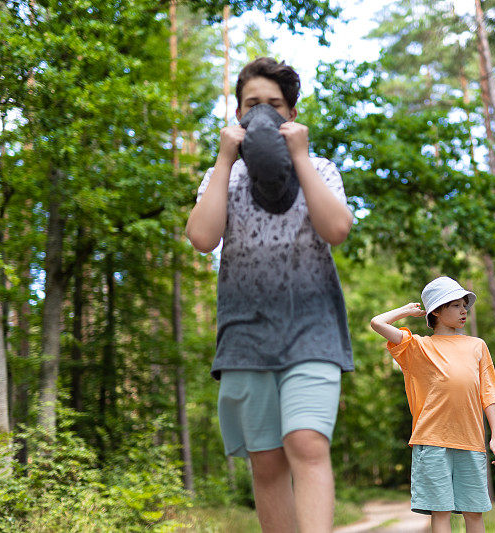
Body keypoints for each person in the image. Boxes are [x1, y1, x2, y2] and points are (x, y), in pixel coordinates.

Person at [186, 57, 354, 532]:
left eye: (274, 104)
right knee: (265, 462)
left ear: (292, 113)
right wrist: (223, 159)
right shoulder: (223, 176)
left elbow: (337, 228)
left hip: (312, 331)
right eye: (251, 105)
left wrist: (299, 158)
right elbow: (201, 237)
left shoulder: (320, 168)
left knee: (306, 442)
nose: (262, 113)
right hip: (244, 337)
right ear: (236, 114)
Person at [370, 276, 495, 533]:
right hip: (432, 440)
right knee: (440, 512)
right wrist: (407, 311)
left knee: (474, 511)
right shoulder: (418, 347)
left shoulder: (477, 346)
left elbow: (489, 393)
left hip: (471, 440)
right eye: (455, 305)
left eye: (464, 304)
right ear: (437, 312)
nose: (464, 310)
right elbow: (377, 322)